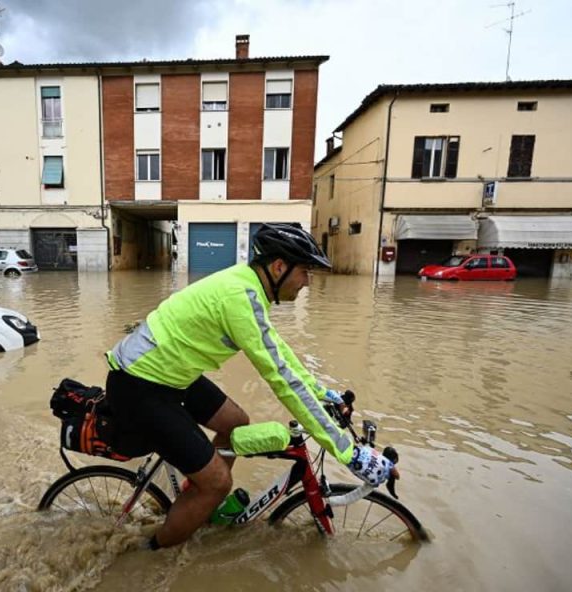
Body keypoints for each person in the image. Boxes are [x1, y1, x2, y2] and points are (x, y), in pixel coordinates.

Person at [105, 223, 391, 550]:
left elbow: (280, 354)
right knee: (218, 484)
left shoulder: (249, 289)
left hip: (169, 373)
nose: (307, 282)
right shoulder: (239, 297)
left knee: (236, 423)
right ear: (279, 267)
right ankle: (147, 553)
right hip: (140, 384)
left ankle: (193, 499)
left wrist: (323, 394)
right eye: (305, 272)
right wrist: (350, 453)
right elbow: (281, 381)